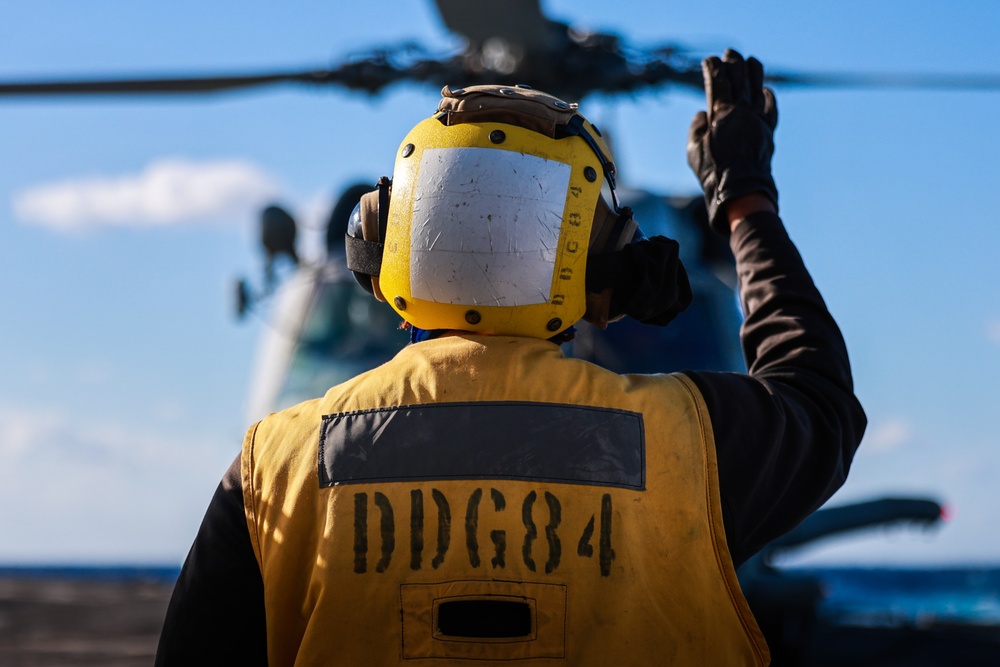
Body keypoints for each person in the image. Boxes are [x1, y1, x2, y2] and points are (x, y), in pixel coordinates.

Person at [156, 50, 865, 666]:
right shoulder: (691, 440)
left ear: (379, 250)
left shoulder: (271, 465)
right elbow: (818, 398)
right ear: (608, 268)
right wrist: (745, 199)